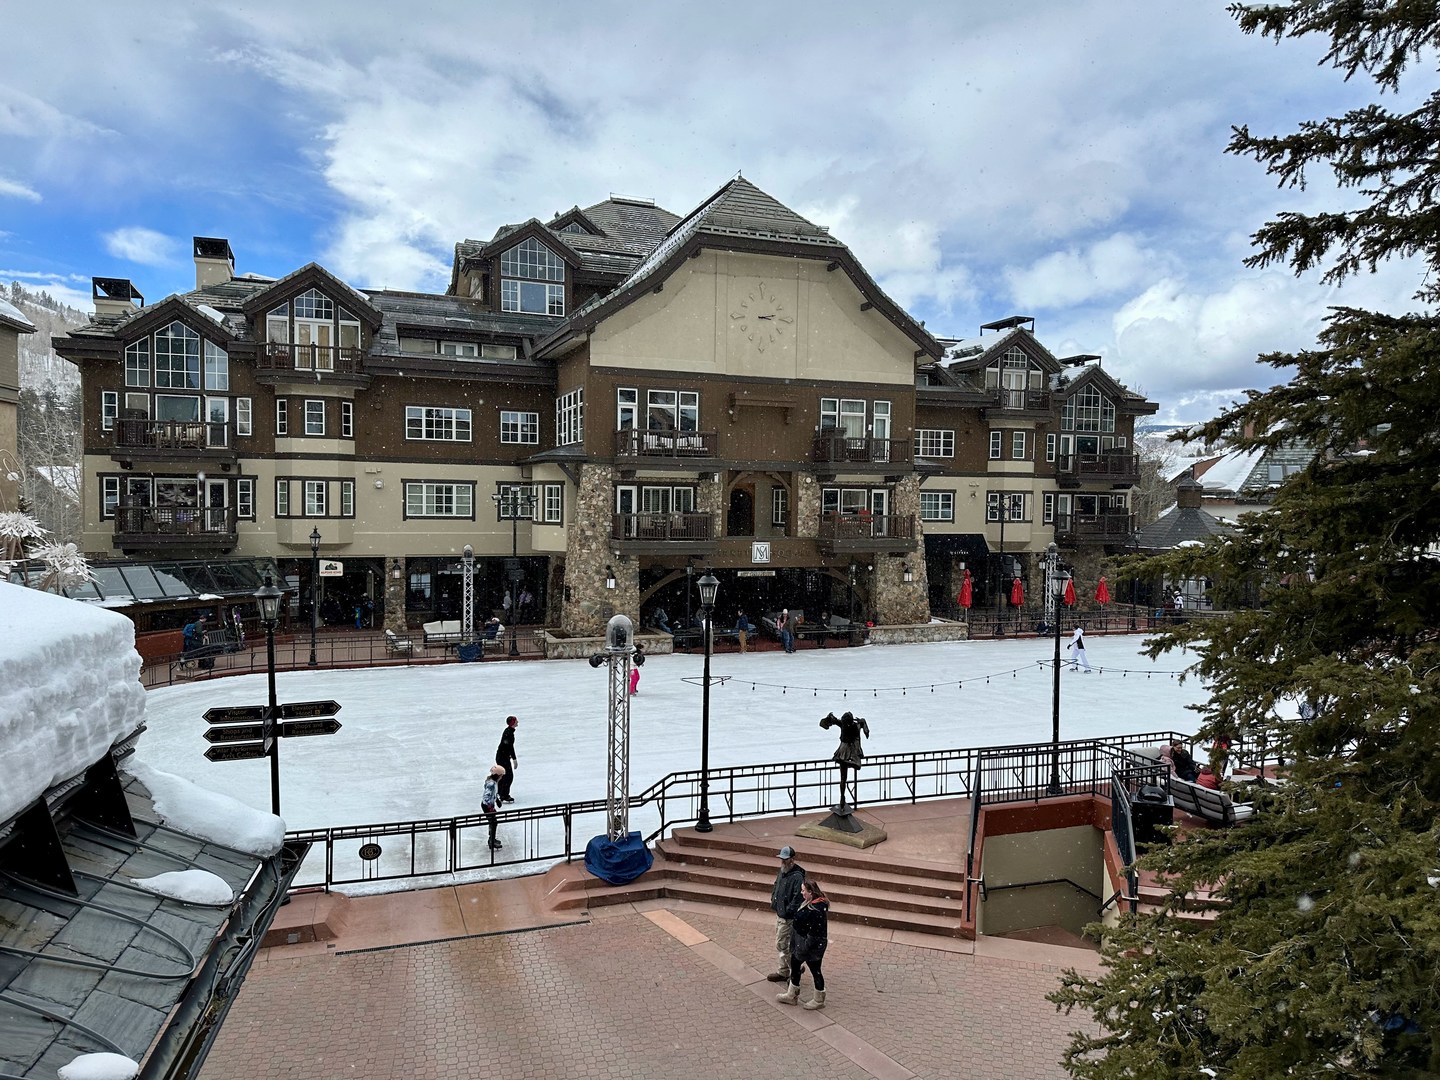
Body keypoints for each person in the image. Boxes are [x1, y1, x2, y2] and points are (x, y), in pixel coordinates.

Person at [777, 878, 830, 1010]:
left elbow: (814, 932)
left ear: (811, 892)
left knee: (815, 969)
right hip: (803, 944)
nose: (802, 893)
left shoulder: (816, 909)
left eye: (803, 891)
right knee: (796, 965)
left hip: (810, 946)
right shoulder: (811, 904)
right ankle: (792, 994)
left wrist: (805, 946)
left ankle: (818, 999)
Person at [765, 845, 806, 982]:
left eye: (785, 859)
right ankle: (783, 971)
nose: (783, 861)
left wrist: (789, 911)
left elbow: (798, 897)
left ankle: (795, 971)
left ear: (792, 859)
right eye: (782, 859)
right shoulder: (783, 871)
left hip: (787, 917)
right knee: (783, 943)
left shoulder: (797, 877)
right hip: (780, 913)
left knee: (782, 944)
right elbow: (776, 885)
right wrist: (774, 900)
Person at [495, 715, 518, 804]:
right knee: (508, 776)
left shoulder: (509, 732)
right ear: (512, 723)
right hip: (502, 757)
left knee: (504, 776)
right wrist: (514, 759)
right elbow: (509, 747)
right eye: (516, 721)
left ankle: (500, 793)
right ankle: (503, 795)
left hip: (502, 756)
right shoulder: (508, 733)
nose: (517, 722)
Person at [481, 764, 504, 850]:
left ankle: (492, 839)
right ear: (497, 775)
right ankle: (491, 841)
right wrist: (490, 807)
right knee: (493, 822)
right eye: (501, 776)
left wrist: (497, 800)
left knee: (493, 822)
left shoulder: (493, 782)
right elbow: (486, 796)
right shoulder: (491, 784)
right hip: (487, 806)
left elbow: (493, 793)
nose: (502, 778)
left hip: (489, 805)